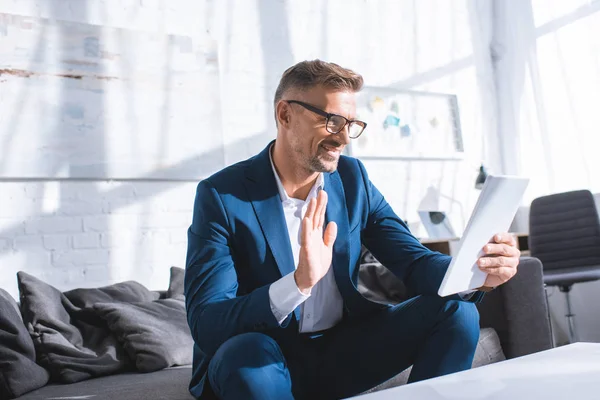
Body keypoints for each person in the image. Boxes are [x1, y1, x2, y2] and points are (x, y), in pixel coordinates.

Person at [184, 60, 520, 400]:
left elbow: (414, 260)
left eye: (351, 124)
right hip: (264, 356)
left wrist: (476, 271)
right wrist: (298, 283)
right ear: (285, 115)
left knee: (457, 312)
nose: (343, 137)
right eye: (331, 121)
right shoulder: (223, 196)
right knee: (247, 357)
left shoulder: (352, 179)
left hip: (339, 352)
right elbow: (208, 323)